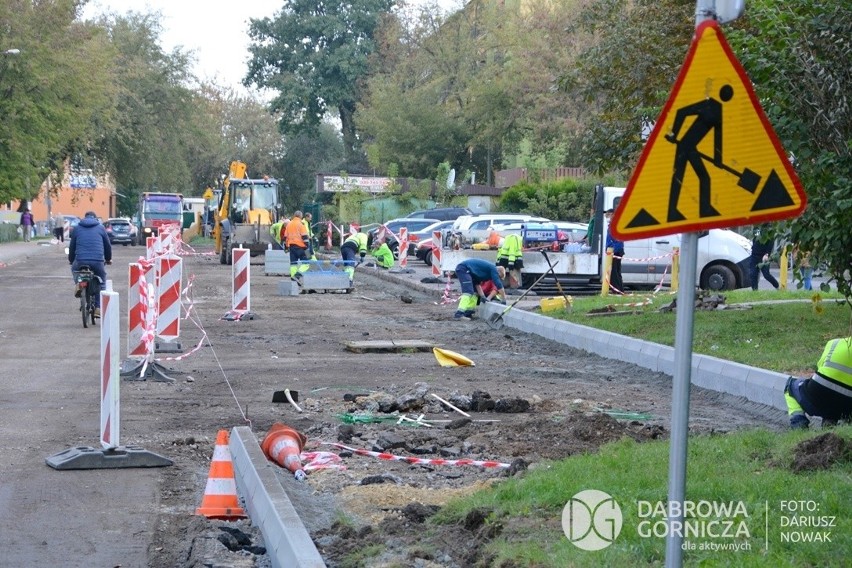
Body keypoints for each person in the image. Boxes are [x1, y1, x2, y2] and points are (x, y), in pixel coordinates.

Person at [784, 337, 852, 429]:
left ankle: (799, 425)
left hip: (819, 394)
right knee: (836, 394)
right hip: (848, 407)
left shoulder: (834, 343)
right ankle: (830, 423)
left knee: (791, 386)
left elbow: (821, 368)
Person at [68, 211, 112, 317]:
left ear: (84, 217)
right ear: (95, 218)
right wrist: (108, 258)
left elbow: (72, 246)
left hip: (81, 260)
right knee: (101, 281)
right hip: (97, 261)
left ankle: (79, 284)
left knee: (75, 270)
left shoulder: (77, 228)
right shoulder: (101, 228)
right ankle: (98, 308)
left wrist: (71, 260)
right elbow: (107, 246)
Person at [750, 225, 779, 290]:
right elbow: (755, 239)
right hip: (754, 255)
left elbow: (771, 242)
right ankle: (755, 291)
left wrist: (767, 254)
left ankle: (777, 286)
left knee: (766, 275)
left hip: (764, 256)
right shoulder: (756, 228)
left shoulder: (769, 229)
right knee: (753, 274)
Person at [283, 211, 310, 278]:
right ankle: (298, 274)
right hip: (300, 247)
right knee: (306, 264)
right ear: (301, 216)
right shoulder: (301, 224)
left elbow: (285, 238)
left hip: (292, 247)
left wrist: (286, 248)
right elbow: (304, 237)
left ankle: (293, 278)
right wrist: (307, 247)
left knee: (293, 264)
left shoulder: (289, 224)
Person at [604, 209, 624, 294]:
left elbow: (618, 241)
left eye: (608, 215)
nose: (607, 217)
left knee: (614, 273)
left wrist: (612, 250)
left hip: (615, 252)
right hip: (614, 251)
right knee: (616, 272)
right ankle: (619, 290)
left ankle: (617, 291)